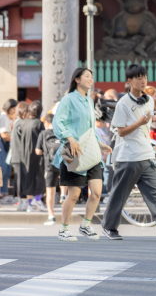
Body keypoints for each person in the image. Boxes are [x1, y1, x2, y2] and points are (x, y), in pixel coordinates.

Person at [101, 64, 156, 241]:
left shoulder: (149, 100)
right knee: (119, 194)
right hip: (128, 156)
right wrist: (139, 123)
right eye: (138, 78)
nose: (142, 80)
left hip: (147, 154)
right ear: (129, 81)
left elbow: (147, 119)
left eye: (144, 77)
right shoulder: (123, 103)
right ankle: (109, 227)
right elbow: (121, 131)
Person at [53, 67, 113, 242]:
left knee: (96, 192)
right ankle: (64, 229)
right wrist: (70, 138)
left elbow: (89, 129)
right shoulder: (69, 99)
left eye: (91, 76)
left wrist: (101, 144)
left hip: (91, 151)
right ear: (77, 79)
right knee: (73, 194)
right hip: (74, 152)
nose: (90, 79)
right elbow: (58, 123)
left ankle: (85, 225)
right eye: (87, 76)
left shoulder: (89, 101)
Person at [14, 101, 45, 213]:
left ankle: (29, 204)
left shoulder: (23, 123)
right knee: (38, 178)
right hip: (37, 155)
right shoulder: (39, 123)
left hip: (24, 155)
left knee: (27, 179)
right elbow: (43, 140)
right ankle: (37, 201)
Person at [35, 113, 66, 225]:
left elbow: (38, 151)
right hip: (63, 163)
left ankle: (51, 216)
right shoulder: (61, 133)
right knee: (63, 179)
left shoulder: (43, 134)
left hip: (49, 165)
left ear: (46, 123)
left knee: (50, 191)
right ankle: (63, 194)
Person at [0, 99, 17, 201]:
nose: (15, 111)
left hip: (7, 145)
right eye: (14, 109)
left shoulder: (8, 117)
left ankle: (4, 193)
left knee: (8, 170)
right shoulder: (3, 117)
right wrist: (14, 138)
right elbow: (4, 134)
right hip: (2, 145)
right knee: (3, 169)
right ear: (10, 108)